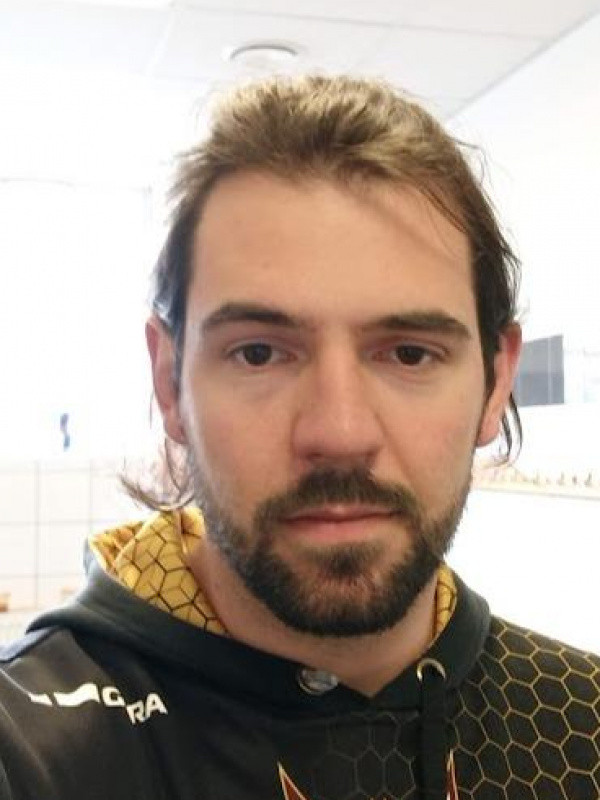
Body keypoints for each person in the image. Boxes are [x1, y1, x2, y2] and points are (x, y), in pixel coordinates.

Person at [0, 75, 598, 800]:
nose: (339, 433)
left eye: (410, 353)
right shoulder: (33, 749)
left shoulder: (582, 724)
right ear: (169, 382)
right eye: (259, 353)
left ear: (497, 381)